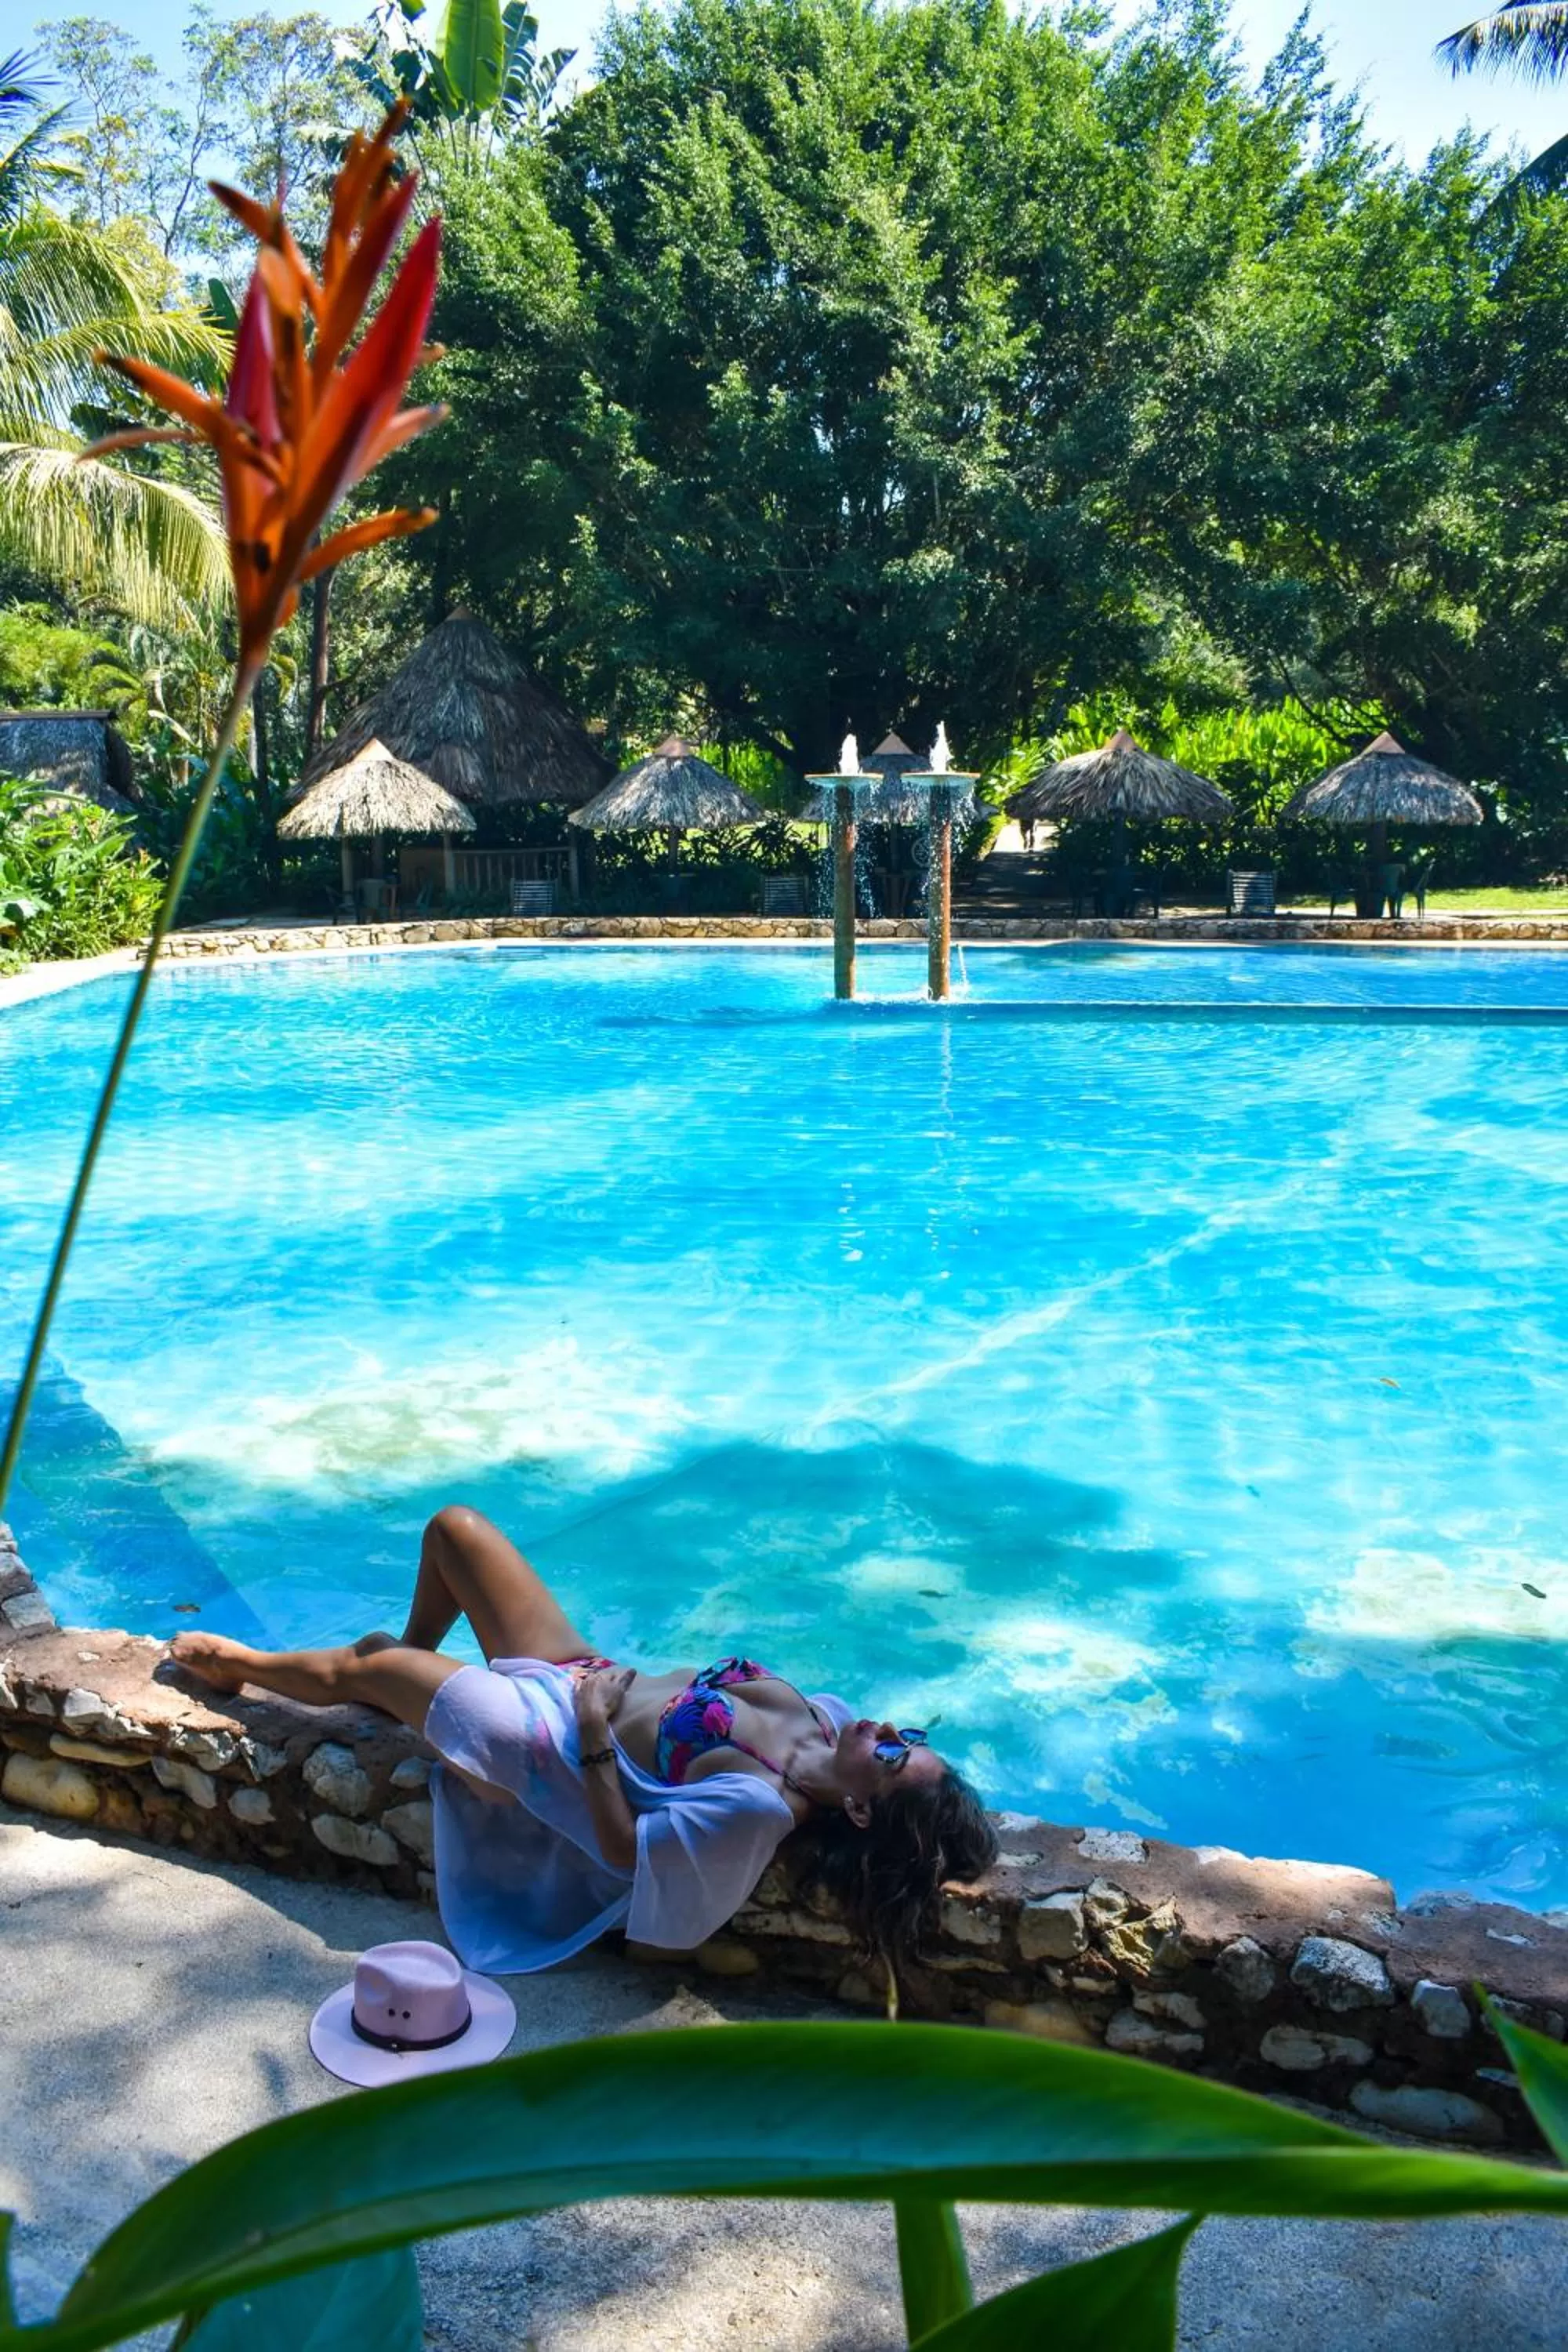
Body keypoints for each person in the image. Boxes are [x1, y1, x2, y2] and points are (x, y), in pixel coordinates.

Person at [172, 1504, 996, 1985]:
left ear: (856, 1809)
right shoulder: (825, 1716)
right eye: (905, 1735)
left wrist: (595, 1729)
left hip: (542, 1741)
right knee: (454, 1530)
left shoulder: (757, 1808)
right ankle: (400, 1680)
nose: (885, 1731)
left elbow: (626, 1855)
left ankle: (253, 1669)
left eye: (891, 1757)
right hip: (581, 1671)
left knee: (375, 1662)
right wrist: (595, 1692)